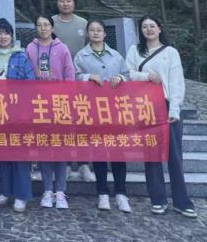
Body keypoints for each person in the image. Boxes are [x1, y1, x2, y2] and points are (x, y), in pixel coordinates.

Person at [126, 15, 197, 218]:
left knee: (174, 156)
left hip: (167, 105)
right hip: (145, 106)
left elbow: (176, 82)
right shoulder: (135, 50)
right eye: (144, 26)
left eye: (152, 26)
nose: (148, 29)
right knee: (151, 155)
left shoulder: (170, 52)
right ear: (141, 30)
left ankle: (182, 201)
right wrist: (145, 76)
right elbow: (128, 73)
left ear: (159, 28)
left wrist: (174, 109)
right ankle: (157, 199)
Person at [74, 19, 131, 213]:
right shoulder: (81, 56)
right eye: (92, 30)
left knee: (118, 152)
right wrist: (87, 77)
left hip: (115, 110)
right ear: (87, 34)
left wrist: (121, 78)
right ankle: (103, 193)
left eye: (99, 30)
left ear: (105, 34)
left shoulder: (116, 55)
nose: (96, 33)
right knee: (99, 152)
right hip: (93, 110)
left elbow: (127, 75)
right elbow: (74, 77)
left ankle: (121, 194)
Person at [26, 15, 74, 210]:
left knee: (60, 148)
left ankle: (60, 191)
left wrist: (67, 100)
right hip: (39, 104)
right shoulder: (30, 48)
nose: (43, 28)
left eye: (46, 25)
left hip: (59, 103)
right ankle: (47, 189)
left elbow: (70, 75)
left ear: (52, 27)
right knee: (45, 147)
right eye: (39, 25)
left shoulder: (62, 48)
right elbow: (27, 75)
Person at [0, 18, 34, 213]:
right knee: (3, 153)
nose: (3, 37)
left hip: (18, 111)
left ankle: (21, 195)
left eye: (6, 33)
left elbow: (30, 84)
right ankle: (6, 191)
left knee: (20, 154)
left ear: (11, 35)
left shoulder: (21, 57)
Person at [52, 0, 94, 183]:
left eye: (68, 1)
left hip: (80, 80)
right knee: (63, 124)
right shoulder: (51, 22)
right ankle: (66, 164)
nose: (65, 4)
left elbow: (91, 49)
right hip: (58, 82)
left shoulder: (83, 23)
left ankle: (84, 164)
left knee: (82, 123)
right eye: (62, 1)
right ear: (57, 3)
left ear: (74, 3)